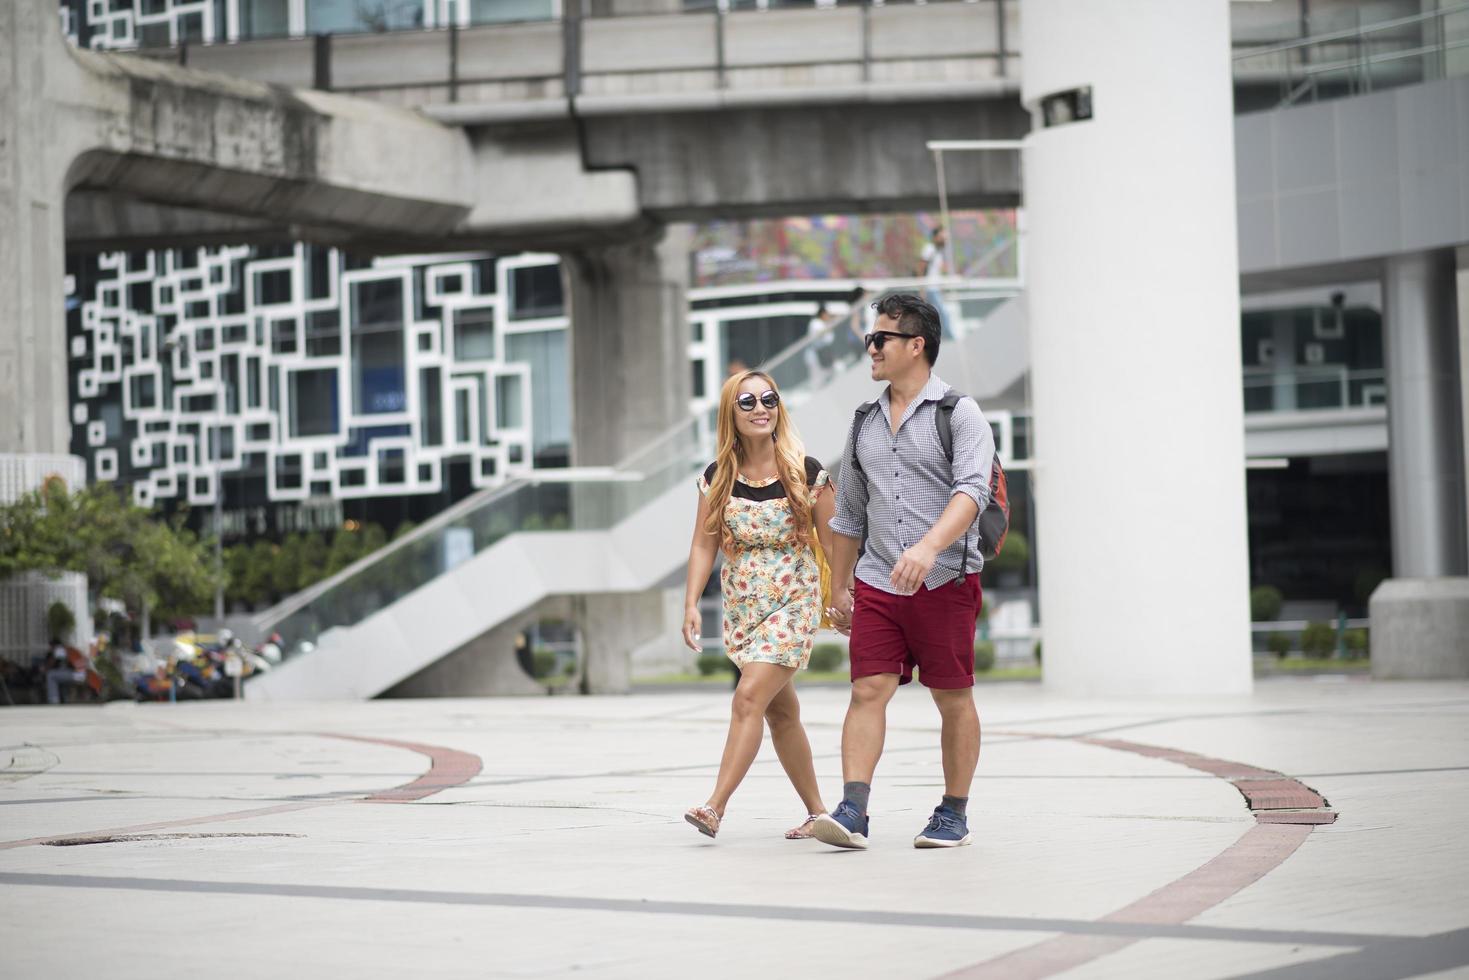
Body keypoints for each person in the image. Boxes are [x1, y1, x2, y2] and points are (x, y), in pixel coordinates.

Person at [813, 293, 995, 850]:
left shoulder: (958, 414)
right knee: (868, 690)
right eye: (870, 337)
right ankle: (852, 810)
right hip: (876, 580)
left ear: (916, 345)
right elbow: (849, 511)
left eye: (880, 338)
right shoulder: (864, 420)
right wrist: (840, 586)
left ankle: (953, 811)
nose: (869, 346)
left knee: (952, 696)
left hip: (944, 581)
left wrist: (927, 547)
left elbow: (973, 490)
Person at [681, 370, 837, 840]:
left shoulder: (806, 472)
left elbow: (834, 544)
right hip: (743, 607)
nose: (760, 408)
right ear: (731, 413)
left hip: (793, 600)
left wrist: (850, 598)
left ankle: (715, 806)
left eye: (769, 398)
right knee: (779, 712)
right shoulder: (717, 477)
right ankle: (818, 812)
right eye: (747, 402)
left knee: (748, 696)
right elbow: (703, 546)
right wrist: (690, 602)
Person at [919, 226, 955, 339]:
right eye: (942, 236)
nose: (944, 239)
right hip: (929, 288)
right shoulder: (929, 249)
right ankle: (948, 338)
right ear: (935, 237)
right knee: (943, 314)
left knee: (937, 314)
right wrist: (922, 287)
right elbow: (921, 267)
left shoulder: (939, 252)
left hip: (935, 288)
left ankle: (939, 337)